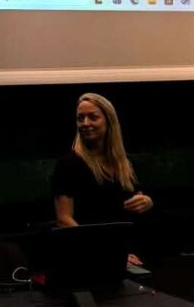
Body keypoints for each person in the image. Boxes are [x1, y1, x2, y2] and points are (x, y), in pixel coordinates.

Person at [51, 93, 153, 255]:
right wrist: (108, 252)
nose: (85, 123)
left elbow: (138, 199)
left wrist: (146, 202)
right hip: (92, 253)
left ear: (109, 121)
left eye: (93, 117)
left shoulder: (125, 164)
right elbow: (64, 220)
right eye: (80, 118)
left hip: (130, 249)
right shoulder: (69, 165)